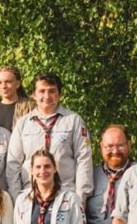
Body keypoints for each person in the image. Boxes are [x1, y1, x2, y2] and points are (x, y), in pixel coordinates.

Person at [6, 72, 93, 200]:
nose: (47, 96)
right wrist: (17, 198)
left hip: (65, 194)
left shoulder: (74, 121)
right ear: (34, 95)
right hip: (31, 195)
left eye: (52, 91)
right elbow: (13, 163)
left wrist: (81, 198)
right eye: (41, 91)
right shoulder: (23, 124)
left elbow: (83, 159)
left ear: (60, 94)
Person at [0, 66, 35, 132]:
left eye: (8, 82)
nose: (3, 86)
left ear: (17, 84)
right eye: (0, 83)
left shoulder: (31, 108)